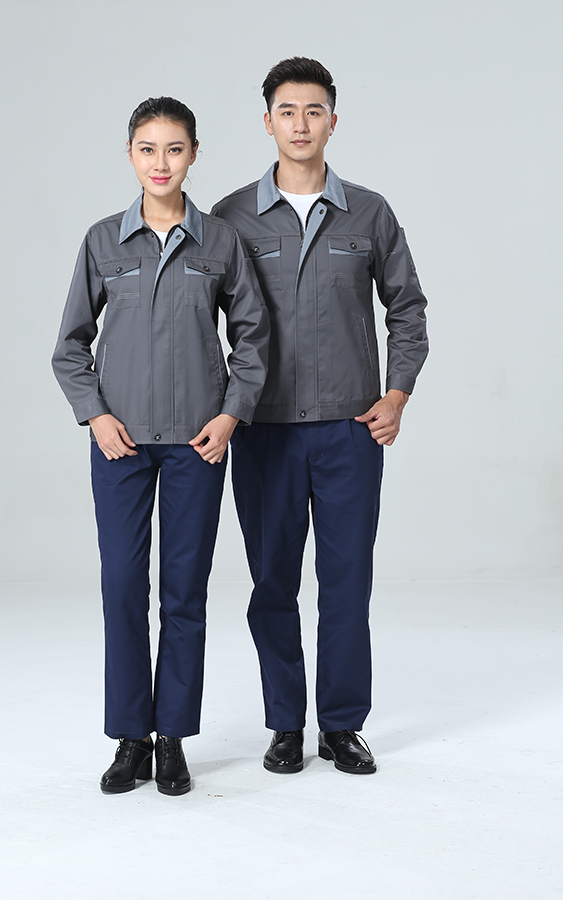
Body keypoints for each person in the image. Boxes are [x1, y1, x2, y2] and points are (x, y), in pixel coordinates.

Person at [212, 58, 428, 775]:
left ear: (333, 120)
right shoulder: (230, 218)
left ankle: (340, 725)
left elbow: (407, 309)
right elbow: (192, 318)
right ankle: (284, 723)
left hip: (350, 432)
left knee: (346, 583)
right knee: (272, 583)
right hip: (264, 431)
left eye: (313, 111)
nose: (300, 124)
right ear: (267, 121)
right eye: (287, 111)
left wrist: (396, 394)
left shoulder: (369, 212)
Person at [52, 97, 269, 796]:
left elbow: (253, 339)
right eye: (148, 149)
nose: (161, 162)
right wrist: (95, 417)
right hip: (119, 444)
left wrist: (230, 417)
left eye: (174, 149)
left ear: (194, 155)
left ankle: (171, 736)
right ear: (130, 155)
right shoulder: (102, 242)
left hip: (197, 446)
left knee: (183, 591)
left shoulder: (220, 243)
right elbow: (70, 347)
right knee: (122, 587)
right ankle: (130, 737)